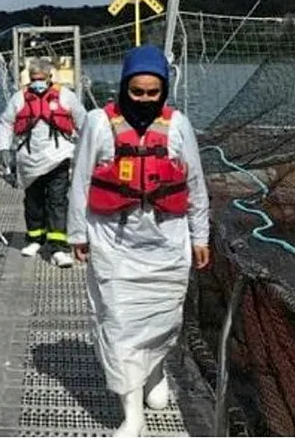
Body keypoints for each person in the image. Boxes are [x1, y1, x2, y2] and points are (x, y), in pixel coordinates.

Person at [67, 44, 210, 438]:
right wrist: (77, 234)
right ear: (124, 87)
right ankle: (132, 414)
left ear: (163, 90)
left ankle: (156, 369)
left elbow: (195, 183)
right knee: (119, 324)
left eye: (153, 92)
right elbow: (80, 182)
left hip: (167, 241)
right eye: (137, 92)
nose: (145, 100)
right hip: (113, 241)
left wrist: (201, 235)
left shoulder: (179, 125)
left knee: (164, 317)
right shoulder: (98, 123)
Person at [0, 59, 86, 267]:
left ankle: (59, 247)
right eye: (34, 79)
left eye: (41, 79)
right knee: (33, 201)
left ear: (49, 78)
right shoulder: (19, 99)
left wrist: (86, 151)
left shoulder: (66, 96)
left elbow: (83, 122)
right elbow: (6, 123)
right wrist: (3, 148)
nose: (37, 83)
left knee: (57, 201)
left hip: (59, 156)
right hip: (29, 160)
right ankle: (35, 238)